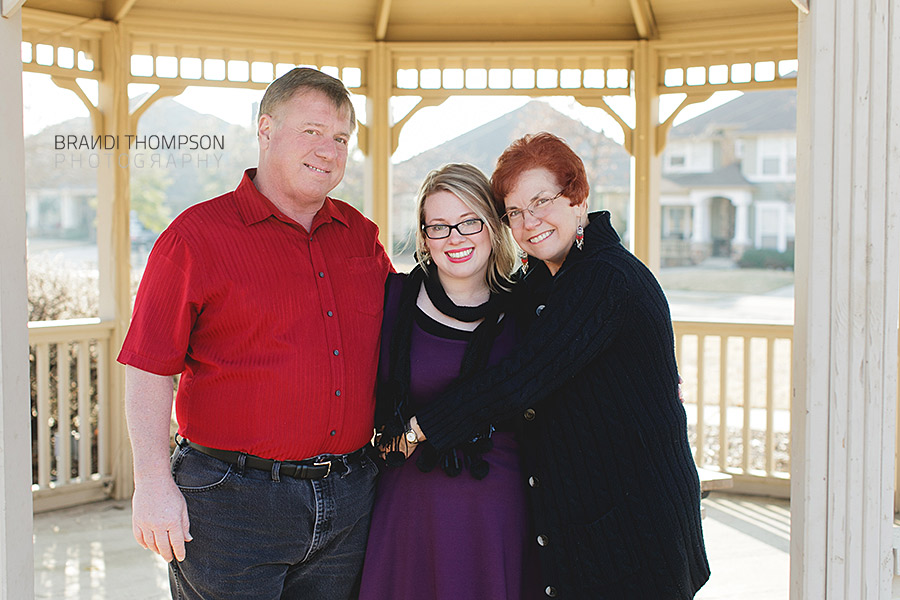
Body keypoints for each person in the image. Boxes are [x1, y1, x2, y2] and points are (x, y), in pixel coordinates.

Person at [117, 67, 392, 600]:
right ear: (266, 130)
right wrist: (152, 482)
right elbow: (149, 365)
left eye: (340, 138)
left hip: (349, 500)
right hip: (231, 505)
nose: (328, 150)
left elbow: (408, 327)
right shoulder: (194, 239)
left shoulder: (360, 234)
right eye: (311, 131)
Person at [399, 133, 710, 598]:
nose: (530, 222)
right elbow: (489, 326)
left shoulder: (605, 277)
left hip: (638, 533)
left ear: (578, 197)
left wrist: (420, 427)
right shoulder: (543, 279)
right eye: (515, 212)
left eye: (542, 201)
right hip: (586, 531)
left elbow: (522, 378)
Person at [358, 163, 540, 599]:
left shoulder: (529, 308)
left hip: (496, 514)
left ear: (494, 227)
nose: (455, 237)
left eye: (469, 221)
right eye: (438, 226)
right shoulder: (392, 301)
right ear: (423, 237)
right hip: (407, 510)